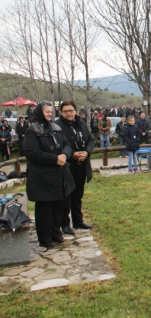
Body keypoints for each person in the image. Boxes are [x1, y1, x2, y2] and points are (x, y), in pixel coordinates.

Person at [24, 102, 75, 247]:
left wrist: (65, 155)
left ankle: (56, 233)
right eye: (46, 112)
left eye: (51, 112)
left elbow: (67, 144)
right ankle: (45, 238)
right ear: (40, 112)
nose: (49, 114)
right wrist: (55, 159)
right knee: (45, 209)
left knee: (58, 206)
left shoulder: (56, 128)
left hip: (59, 175)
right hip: (42, 177)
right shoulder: (32, 130)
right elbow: (32, 153)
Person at [55, 99, 95, 235]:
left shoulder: (81, 123)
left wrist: (87, 152)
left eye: (71, 110)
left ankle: (78, 221)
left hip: (82, 164)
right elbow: (57, 146)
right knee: (66, 196)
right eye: (65, 111)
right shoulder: (57, 126)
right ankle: (65, 224)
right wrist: (72, 154)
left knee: (78, 194)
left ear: (75, 111)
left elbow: (91, 140)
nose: (69, 114)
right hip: (66, 166)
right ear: (61, 112)